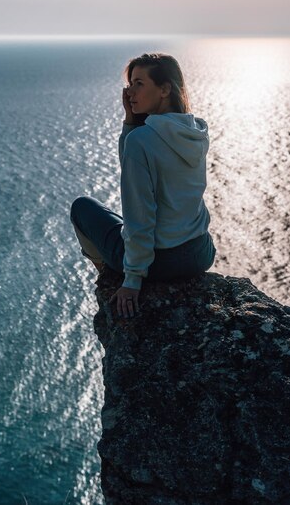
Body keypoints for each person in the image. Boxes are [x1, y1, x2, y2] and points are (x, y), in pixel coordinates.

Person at [70, 53, 216, 319]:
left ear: (164, 89)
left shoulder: (142, 140)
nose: (129, 92)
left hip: (162, 262)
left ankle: (108, 272)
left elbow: (140, 215)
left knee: (83, 207)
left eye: (139, 83)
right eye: (129, 84)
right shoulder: (196, 131)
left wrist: (132, 279)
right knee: (120, 220)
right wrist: (131, 121)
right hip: (200, 253)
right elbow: (133, 166)